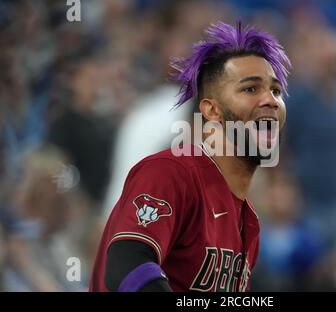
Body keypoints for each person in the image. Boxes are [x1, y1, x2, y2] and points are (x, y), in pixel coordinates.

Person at [89, 21, 291, 292]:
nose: (270, 100)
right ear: (212, 110)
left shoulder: (247, 219)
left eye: (276, 91)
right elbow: (127, 265)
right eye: (250, 89)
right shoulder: (171, 172)